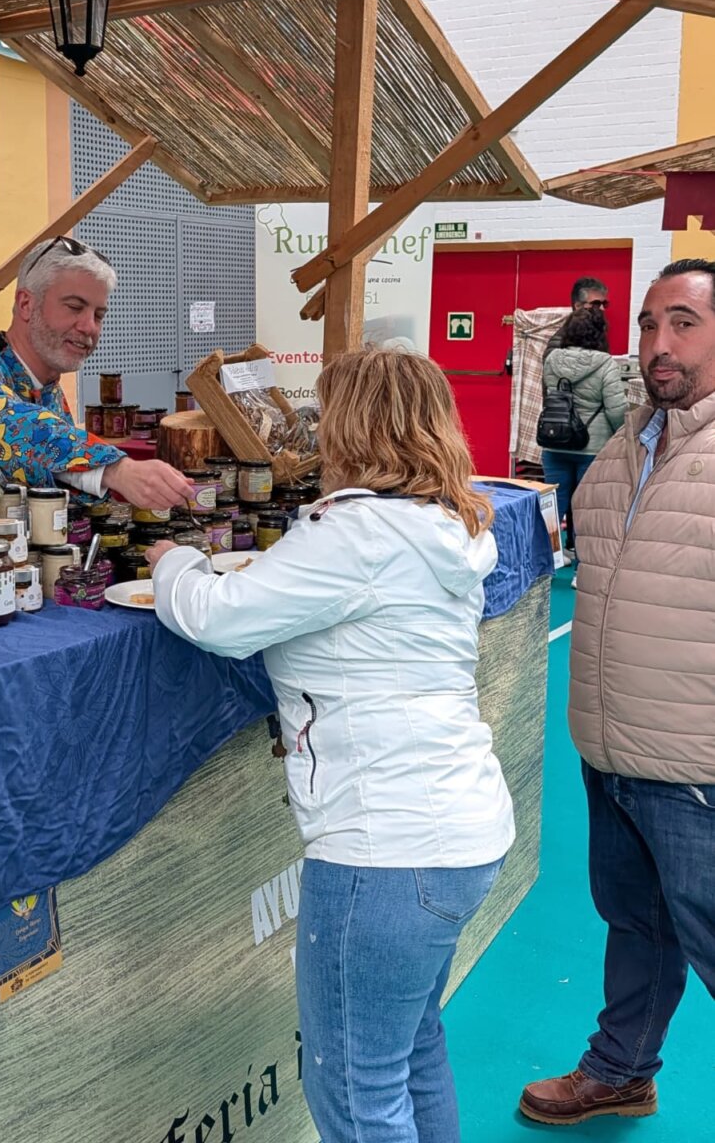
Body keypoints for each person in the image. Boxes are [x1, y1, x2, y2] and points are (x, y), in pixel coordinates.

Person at [147, 348, 514, 1143]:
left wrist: (171, 560)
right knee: (410, 1051)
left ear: (348, 426)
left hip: (383, 849)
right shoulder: (443, 524)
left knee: (354, 1091)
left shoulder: (353, 536)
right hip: (460, 829)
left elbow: (216, 618)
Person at [520, 258, 715, 1127]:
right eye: (646, 324)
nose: (656, 345)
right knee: (636, 926)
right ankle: (621, 1068)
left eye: (682, 323)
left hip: (693, 760)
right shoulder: (632, 436)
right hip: (609, 741)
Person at [0, 236, 193, 511]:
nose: (89, 327)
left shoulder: (46, 384)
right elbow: (2, 421)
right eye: (75, 307)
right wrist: (118, 469)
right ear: (26, 304)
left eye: (98, 315)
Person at [541, 306, 627, 559]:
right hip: (592, 447)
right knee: (587, 507)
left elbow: (550, 396)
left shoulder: (551, 359)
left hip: (554, 441)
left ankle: (548, 560)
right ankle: (583, 567)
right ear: (599, 334)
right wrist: (619, 434)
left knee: (553, 505)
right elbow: (615, 409)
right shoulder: (606, 364)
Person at [542, 276, 610, 362]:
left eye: (605, 304)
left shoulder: (600, 336)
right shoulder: (560, 340)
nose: (602, 308)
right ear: (578, 306)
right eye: (596, 304)